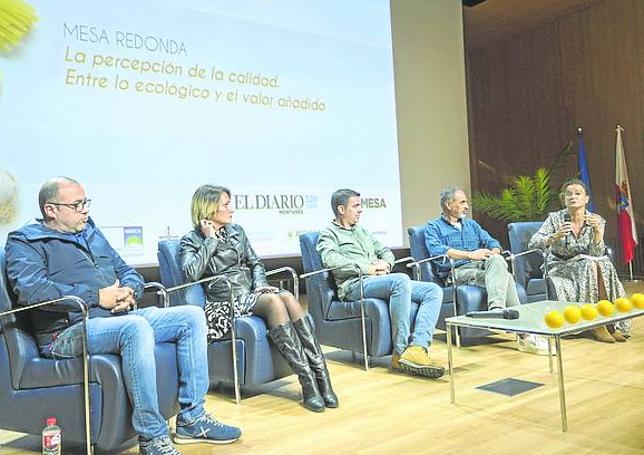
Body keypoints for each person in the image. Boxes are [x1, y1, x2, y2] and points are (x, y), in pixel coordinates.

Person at [5, 177, 241, 455]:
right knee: (135, 327)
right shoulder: (26, 241)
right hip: (66, 332)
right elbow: (31, 291)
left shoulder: (91, 233)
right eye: (77, 204)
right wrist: (96, 297)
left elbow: (127, 271)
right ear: (51, 209)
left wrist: (130, 291)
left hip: (113, 318)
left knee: (190, 317)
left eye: (85, 202)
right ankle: (153, 438)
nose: (85, 210)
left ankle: (192, 418)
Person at [180, 185, 338, 413]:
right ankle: (307, 382)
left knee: (287, 297)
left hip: (249, 294)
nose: (231, 209)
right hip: (222, 304)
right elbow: (190, 274)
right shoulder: (192, 240)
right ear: (209, 208)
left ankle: (322, 379)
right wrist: (210, 241)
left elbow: (255, 263)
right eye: (226, 205)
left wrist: (261, 284)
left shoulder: (237, 231)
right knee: (275, 301)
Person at [317, 189, 445, 378]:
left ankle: (417, 347)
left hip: (377, 280)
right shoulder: (328, 234)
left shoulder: (361, 230)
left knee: (432, 290)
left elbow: (384, 250)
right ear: (341, 209)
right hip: (354, 285)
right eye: (356, 206)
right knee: (401, 280)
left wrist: (386, 263)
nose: (360, 210)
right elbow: (331, 260)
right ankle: (400, 353)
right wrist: (366, 268)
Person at [424, 186, 548, 354]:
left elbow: (493, 242)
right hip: (457, 272)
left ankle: (497, 311)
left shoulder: (471, 225)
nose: (466, 206)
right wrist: (470, 255)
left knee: (497, 260)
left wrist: (493, 252)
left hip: (483, 266)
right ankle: (525, 335)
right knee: (507, 278)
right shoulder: (433, 227)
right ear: (448, 204)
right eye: (462, 202)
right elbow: (437, 251)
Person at [528, 178, 630, 343]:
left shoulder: (596, 220)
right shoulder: (555, 219)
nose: (573, 197)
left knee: (604, 264)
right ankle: (596, 323)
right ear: (563, 198)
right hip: (560, 265)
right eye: (568, 194)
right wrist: (555, 236)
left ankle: (610, 322)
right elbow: (533, 243)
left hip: (587, 265)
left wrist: (598, 232)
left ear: (586, 199)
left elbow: (596, 253)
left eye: (577, 193)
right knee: (590, 264)